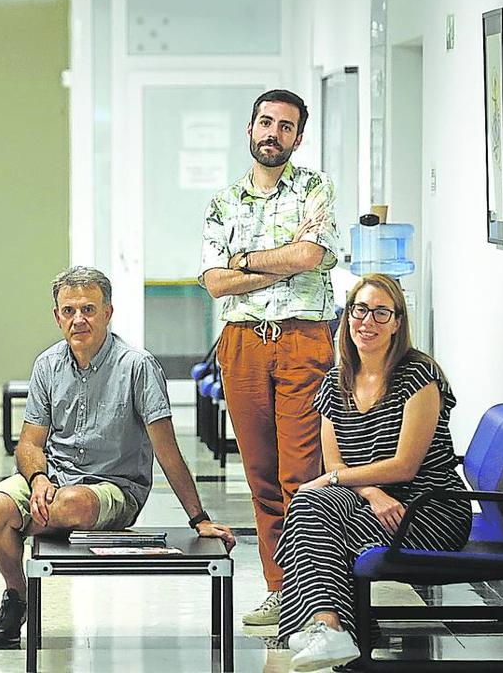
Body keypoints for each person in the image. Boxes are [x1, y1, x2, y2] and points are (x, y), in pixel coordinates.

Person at [0, 266, 236, 646]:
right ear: (57, 317)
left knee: (70, 504)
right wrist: (38, 479)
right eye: (68, 311)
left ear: (108, 312)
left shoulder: (137, 366)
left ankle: (3, 535)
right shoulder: (47, 365)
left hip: (115, 489)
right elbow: (30, 444)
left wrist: (199, 518)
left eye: (88, 309)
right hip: (54, 481)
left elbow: (168, 453)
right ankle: (17, 595)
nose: (78, 319)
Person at [277, 274, 471, 671]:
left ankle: (330, 628)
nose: (368, 321)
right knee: (311, 502)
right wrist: (370, 492)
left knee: (309, 526)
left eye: (381, 313)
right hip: (374, 503)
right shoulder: (336, 381)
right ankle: (332, 627)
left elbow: (406, 466)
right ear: (347, 316)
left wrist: (338, 482)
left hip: (428, 509)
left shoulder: (420, 376)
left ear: (398, 322)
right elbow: (334, 464)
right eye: (360, 310)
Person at [198, 88, 340, 628]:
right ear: (250, 129)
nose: (272, 133)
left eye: (285, 126)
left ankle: (316, 596)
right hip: (242, 343)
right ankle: (281, 592)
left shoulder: (315, 187)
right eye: (265, 122)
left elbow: (312, 254)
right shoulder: (222, 202)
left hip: (304, 338)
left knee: (301, 474)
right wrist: (287, 264)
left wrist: (249, 261)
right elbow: (215, 283)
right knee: (259, 473)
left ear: (298, 137)